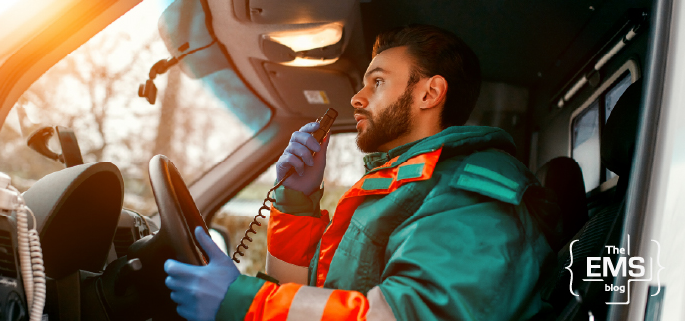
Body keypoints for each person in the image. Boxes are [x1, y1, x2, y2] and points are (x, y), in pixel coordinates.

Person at [164, 24, 560, 321]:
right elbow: (308, 293)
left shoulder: (473, 193)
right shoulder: (405, 184)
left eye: (378, 82)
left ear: (429, 93)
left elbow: (411, 314)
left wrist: (244, 302)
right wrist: (297, 202)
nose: (356, 97)